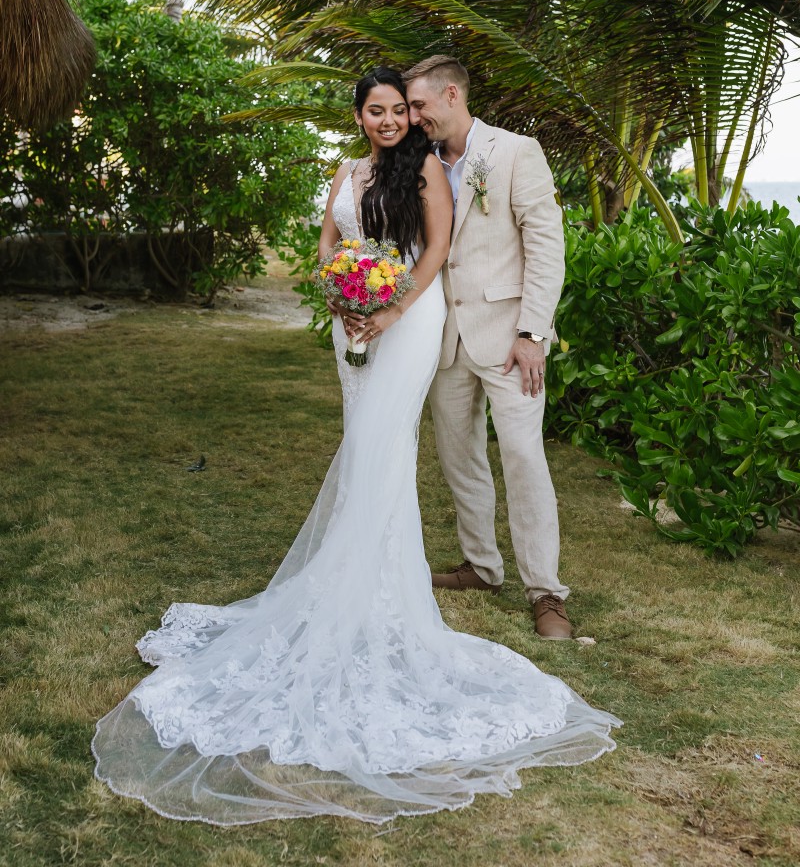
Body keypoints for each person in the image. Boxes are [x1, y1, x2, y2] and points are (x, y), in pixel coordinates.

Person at [92, 67, 619, 826]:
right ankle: (469, 565)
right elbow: (332, 239)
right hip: (379, 327)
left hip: (462, 326)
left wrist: (502, 324)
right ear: (364, 115)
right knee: (435, 453)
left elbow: (495, 246)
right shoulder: (370, 166)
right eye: (381, 108)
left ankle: (542, 592)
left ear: (437, 101)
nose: (397, 116)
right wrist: (344, 290)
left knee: (503, 456)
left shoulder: (476, 159)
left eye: (405, 105)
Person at [403, 55, 571, 639]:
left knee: (524, 459)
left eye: (419, 105)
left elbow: (546, 246)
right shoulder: (416, 162)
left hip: (508, 339)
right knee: (459, 457)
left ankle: (546, 592)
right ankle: (481, 565)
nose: (412, 116)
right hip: (443, 339)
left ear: (452, 95)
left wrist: (532, 334)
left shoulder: (515, 152)